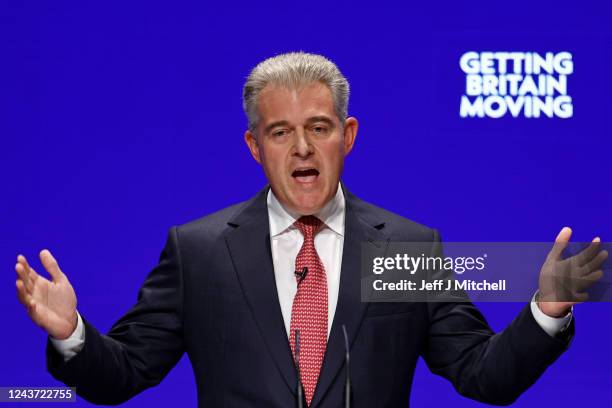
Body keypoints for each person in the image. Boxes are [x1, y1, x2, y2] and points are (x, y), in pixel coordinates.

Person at [15, 52, 606, 407]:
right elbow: (124, 374)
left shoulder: (405, 248)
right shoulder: (198, 251)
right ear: (254, 146)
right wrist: (71, 333)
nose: (302, 147)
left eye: (319, 127)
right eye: (280, 132)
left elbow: (484, 375)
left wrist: (546, 310)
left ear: (348, 137)